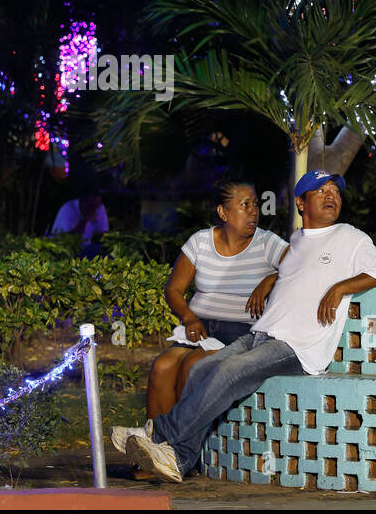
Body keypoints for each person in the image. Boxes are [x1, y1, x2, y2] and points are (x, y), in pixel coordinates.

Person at [115, 170, 376, 483]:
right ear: (301, 204)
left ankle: (159, 436)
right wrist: (270, 278)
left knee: (227, 372)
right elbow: (297, 271)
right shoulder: (299, 241)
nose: (331, 196)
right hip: (263, 334)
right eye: (321, 191)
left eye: (335, 191)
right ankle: (179, 458)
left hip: (298, 346)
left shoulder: (350, 238)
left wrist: (341, 287)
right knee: (201, 370)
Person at [112, 181, 287, 454]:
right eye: (245, 205)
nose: (254, 211)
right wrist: (188, 317)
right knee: (162, 367)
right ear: (223, 212)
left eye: (255, 204)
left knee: (192, 368)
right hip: (199, 329)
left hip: (241, 335)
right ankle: (151, 450)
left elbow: (301, 265)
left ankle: (177, 452)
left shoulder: (267, 243)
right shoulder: (201, 242)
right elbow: (174, 289)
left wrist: (271, 278)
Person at [50, 187, 108, 254]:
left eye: (97, 205)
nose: (94, 209)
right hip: (63, 249)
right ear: (82, 202)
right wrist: (85, 220)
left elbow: (104, 235)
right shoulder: (68, 209)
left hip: (87, 249)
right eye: (91, 206)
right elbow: (67, 240)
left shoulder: (99, 207)